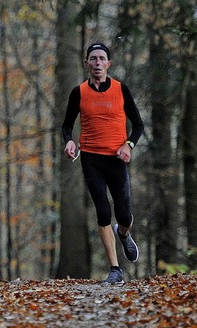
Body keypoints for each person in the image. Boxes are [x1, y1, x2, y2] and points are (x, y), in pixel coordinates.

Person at [61, 42, 144, 286]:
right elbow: (67, 124)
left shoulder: (121, 89)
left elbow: (138, 125)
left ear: (108, 64)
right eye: (93, 59)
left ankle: (124, 232)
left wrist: (128, 145)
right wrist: (69, 142)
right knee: (103, 211)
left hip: (117, 159)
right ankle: (115, 269)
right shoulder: (78, 92)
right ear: (86, 63)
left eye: (101, 59)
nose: (97, 63)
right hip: (91, 158)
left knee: (124, 214)